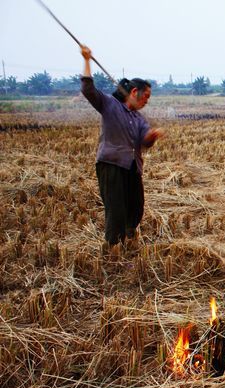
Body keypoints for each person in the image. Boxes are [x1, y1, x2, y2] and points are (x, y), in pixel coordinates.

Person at [80, 45, 163, 248]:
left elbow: (145, 142)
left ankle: (128, 240)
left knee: (136, 208)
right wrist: (87, 60)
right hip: (111, 165)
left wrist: (151, 137)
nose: (146, 101)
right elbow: (88, 90)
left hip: (132, 168)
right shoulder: (109, 105)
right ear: (134, 92)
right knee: (115, 210)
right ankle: (112, 249)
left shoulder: (139, 118)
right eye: (146, 97)